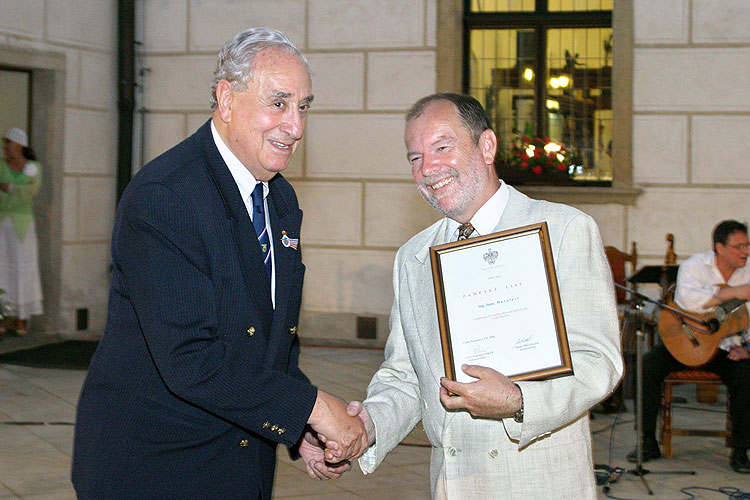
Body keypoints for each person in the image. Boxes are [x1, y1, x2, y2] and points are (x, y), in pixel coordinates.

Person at [71, 27, 367, 500]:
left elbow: (270, 343)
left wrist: (298, 430)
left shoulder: (279, 197)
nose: (295, 126)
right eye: (279, 103)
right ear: (227, 100)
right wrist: (311, 408)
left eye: (303, 106)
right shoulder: (165, 198)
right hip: (154, 471)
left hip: (239, 467)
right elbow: (192, 358)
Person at [339, 93, 623, 499]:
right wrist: (365, 427)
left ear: (486, 146)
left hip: (539, 483)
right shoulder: (414, 259)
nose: (428, 168)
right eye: (415, 157)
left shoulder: (563, 231)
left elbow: (598, 362)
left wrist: (518, 401)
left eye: (442, 147)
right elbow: (405, 376)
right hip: (453, 486)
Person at [626, 220, 750, 474]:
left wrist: (748, 349)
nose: (745, 251)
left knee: (746, 375)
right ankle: (647, 441)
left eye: (747, 245)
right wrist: (730, 293)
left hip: (727, 347)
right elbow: (688, 301)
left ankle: (741, 450)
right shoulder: (695, 265)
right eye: (739, 246)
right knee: (647, 365)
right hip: (686, 342)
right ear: (719, 247)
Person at [0, 128, 44, 336]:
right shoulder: (1, 166)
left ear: (20, 144)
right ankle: (3, 317)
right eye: (5, 143)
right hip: (2, 224)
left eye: (9, 142)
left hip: (23, 227)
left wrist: (8, 188)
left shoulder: (34, 168)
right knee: (2, 270)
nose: (6, 146)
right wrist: (16, 190)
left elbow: (30, 193)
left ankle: (21, 320)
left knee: (23, 269)